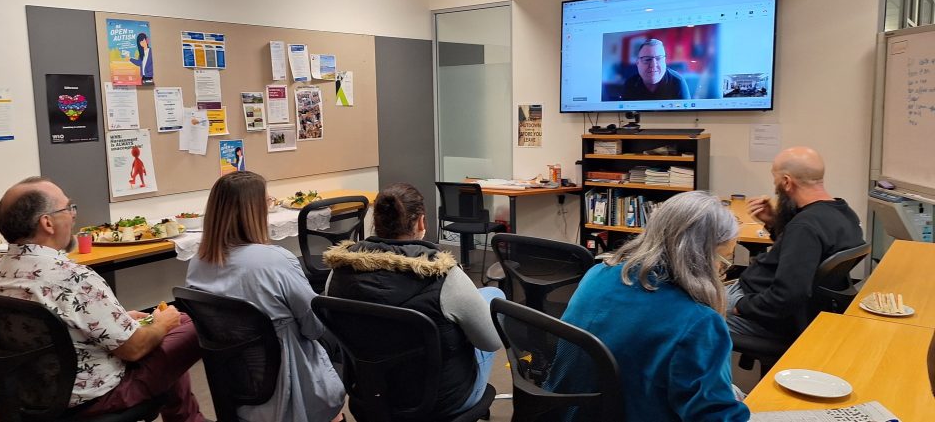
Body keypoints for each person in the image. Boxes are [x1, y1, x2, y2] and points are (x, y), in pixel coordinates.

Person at [0, 177, 208, 422]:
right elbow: (134, 349)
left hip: (31, 394)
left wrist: (122, 320)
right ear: (47, 223)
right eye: (68, 208)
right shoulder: (73, 278)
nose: (73, 216)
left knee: (157, 341)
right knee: (186, 324)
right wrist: (163, 323)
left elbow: (48, 331)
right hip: (95, 398)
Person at [547, 191, 749, 422]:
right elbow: (716, 417)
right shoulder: (699, 322)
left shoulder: (597, 274)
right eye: (724, 259)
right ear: (700, 255)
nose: (723, 270)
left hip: (570, 410)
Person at [323, 183, 503, 417]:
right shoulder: (445, 276)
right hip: (440, 403)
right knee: (493, 295)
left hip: (371, 396)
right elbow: (490, 343)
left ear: (375, 223)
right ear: (420, 223)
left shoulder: (337, 272)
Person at [186, 171, 344, 422]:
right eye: (267, 201)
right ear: (254, 211)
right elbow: (313, 327)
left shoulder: (197, 262)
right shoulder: (275, 260)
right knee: (340, 337)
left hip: (235, 382)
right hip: (289, 384)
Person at [727, 147, 864, 341]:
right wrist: (774, 222)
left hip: (764, 311)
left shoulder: (804, 227)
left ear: (786, 182)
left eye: (775, 179)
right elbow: (800, 253)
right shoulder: (843, 213)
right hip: (798, 309)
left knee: (684, 316)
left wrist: (741, 307)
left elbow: (786, 296)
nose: (775, 186)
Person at [620, 39, 691, 101]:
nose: (653, 65)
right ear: (638, 63)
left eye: (659, 58)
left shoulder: (678, 82)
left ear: (664, 61)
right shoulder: (630, 83)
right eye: (647, 59)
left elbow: (686, 115)